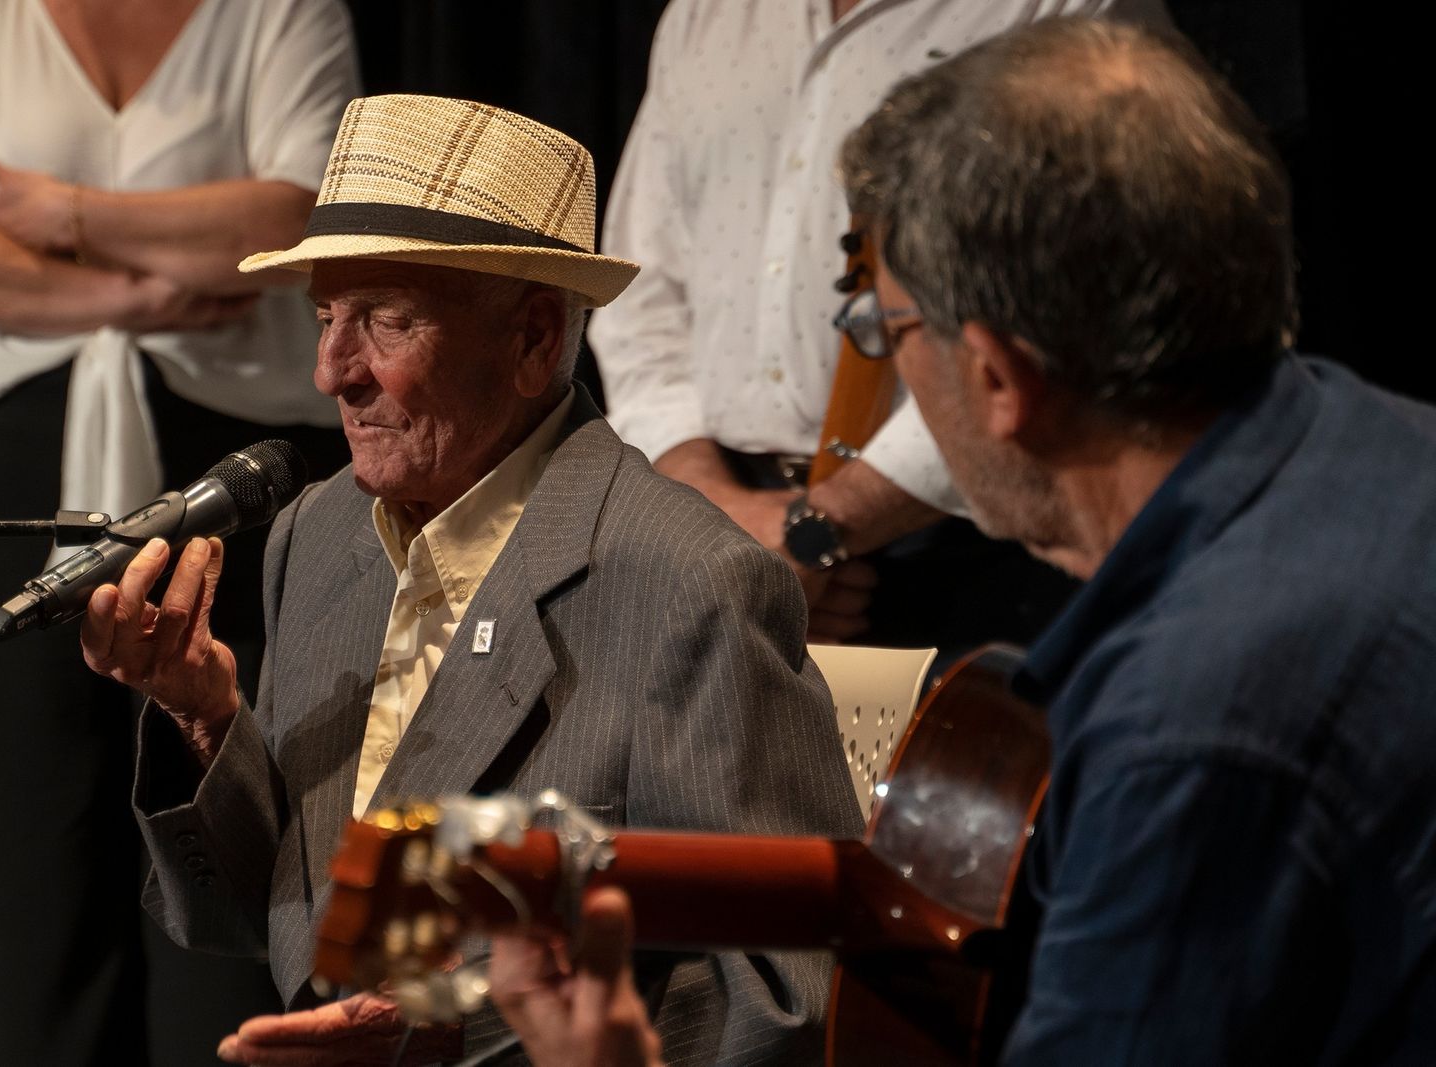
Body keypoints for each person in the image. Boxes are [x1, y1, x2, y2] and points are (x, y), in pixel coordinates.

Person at [490, 16, 1436, 1064]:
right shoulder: (1389, 443)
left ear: (992, 379)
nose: (877, 349)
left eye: (882, 331)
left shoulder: (1188, 732)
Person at [78, 94, 863, 1066]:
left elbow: (790, 988)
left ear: (534, 338)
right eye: (326, 316)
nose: (332, 371)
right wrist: (206, 723)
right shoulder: (318, 535)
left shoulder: (690, 583)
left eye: (385, 322)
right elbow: (263, 918)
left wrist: (453, 1033)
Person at [0, 1, 360, 1062]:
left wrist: (62, 211)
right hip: (18, 471)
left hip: (237, 471)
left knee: (223, 826)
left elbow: (296, 214)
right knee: (31, 862)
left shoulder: (277, 12)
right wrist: (143, 285)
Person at [589, 0, 1168, 651]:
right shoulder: (703, 16)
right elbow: (638, 293)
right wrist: (716, 514)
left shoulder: (1061, 9)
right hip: (718, 542)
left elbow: (1077, 311)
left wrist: (819, 532)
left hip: (979, 552)